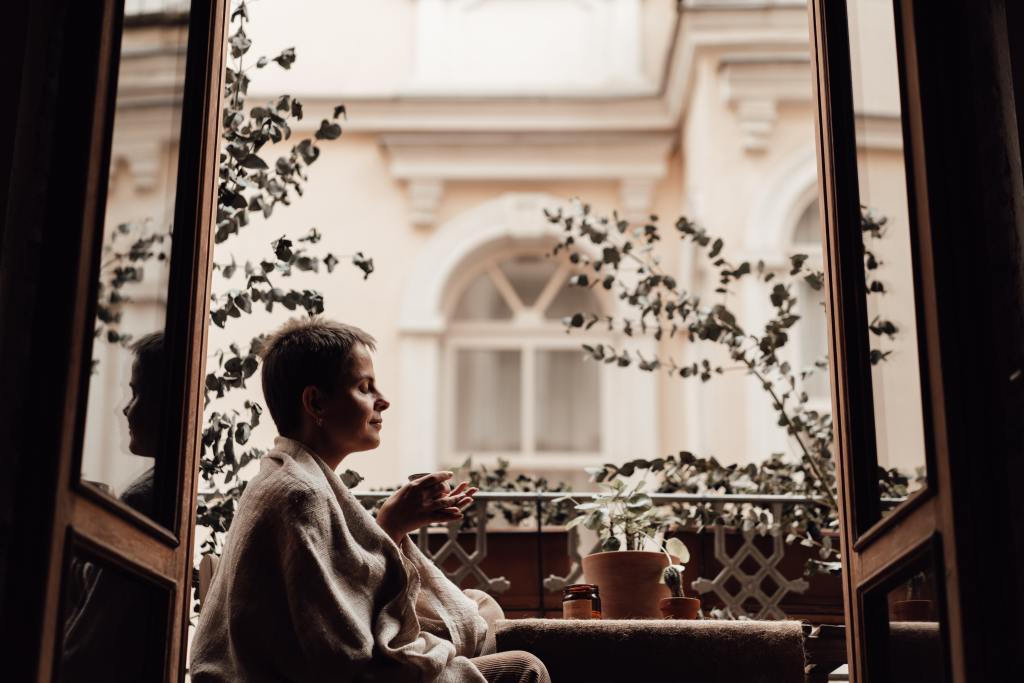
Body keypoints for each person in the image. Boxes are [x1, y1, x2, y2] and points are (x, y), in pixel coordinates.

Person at [190, 317, 549, 683]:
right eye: (365, 387)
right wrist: (390, 528)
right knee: (523, 668)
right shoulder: (300, 495)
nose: (383, 401)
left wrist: (392, 527)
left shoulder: (290, 477)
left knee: (478, 607)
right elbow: (343, 652)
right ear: (315, 402)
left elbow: (340, 597)